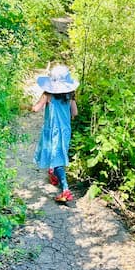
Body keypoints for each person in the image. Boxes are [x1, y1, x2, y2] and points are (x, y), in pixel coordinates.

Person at [31, 64, 79, 202]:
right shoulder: (70, 95)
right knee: (58, 153)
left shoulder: (48, 94)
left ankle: (65, 190)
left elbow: (36, 108)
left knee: (56, 158)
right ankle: (53, 173)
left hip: (52, 130)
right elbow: (75, 113)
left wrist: (28, 107)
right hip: (65, 130)